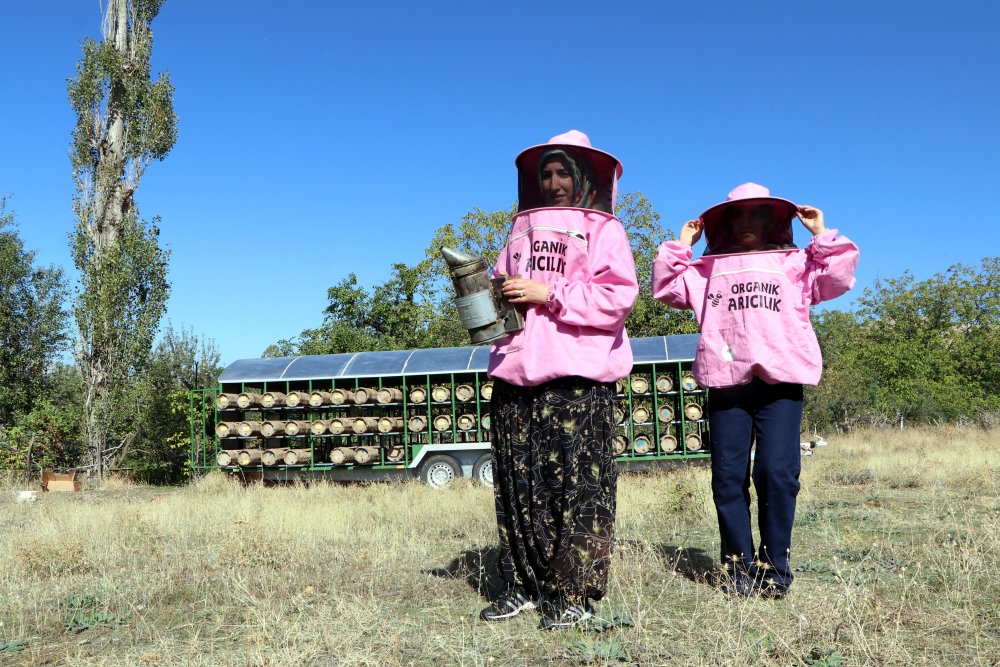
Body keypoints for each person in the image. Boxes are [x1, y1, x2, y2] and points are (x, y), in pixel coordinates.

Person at [651, 182, 859, 598]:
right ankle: (738, 569)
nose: (747, 222)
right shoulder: (707, 269)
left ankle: (774, 568)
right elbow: (668, 289)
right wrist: (681, 245)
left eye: (756, 215)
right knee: (728, 478)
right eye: (738, 215)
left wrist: (821, 235)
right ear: (725, 223)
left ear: (771, 221)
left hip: (780, 381)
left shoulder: (795, 263)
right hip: (727, 382)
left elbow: (835, 280)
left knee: (777, 474)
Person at [479, 130, 638, 629]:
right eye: (545, 173)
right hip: (516, 371)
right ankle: (523, 585)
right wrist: (493, 294)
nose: (552, 182)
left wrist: (549, 291)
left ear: (584, 177)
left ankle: (571, 595)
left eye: (563, 172)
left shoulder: (605, 230)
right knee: (518, 486)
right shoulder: (519, 229)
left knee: (579, 488)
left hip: (577, 376)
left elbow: (617, 300)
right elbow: (507, 296)